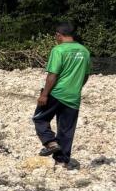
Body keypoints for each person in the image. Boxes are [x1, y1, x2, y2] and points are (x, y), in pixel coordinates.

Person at [34, 22, 90, 169]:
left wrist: (44, 94)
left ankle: (50, 143)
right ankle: (62, 162)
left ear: (59, 35)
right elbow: (86, 75)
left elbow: (53, 74)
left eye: (56, 36)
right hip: (73, 96)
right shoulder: (84, 51)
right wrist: (76, 87)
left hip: (56, 93)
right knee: (66, 129)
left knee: (40, 118)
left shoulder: (58, 50)